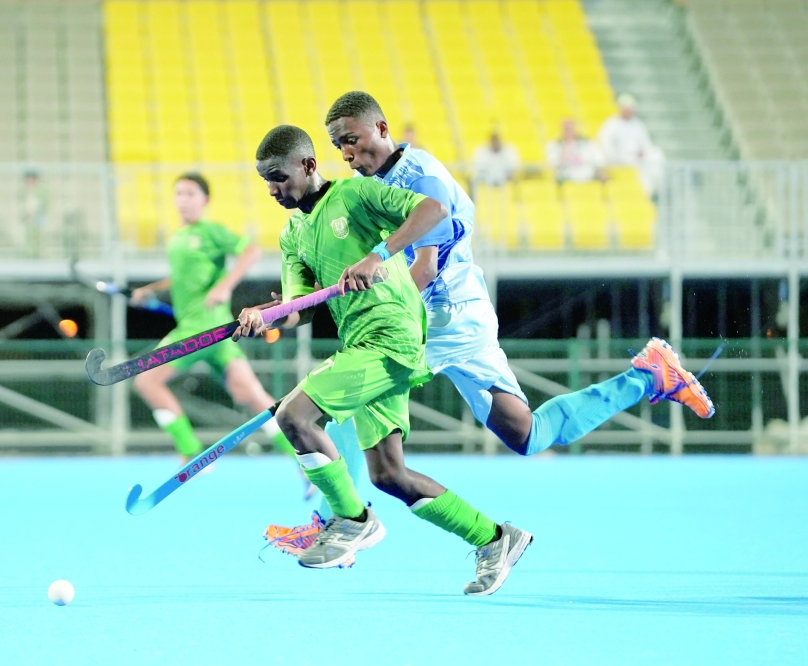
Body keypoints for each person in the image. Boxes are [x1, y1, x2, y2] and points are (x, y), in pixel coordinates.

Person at [264, 92, 716, 576]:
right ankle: (648, 378)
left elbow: (423, 268)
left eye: (352, 141)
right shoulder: (369, 182)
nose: (349, 155)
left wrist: (373, 272)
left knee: (351, 390)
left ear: (382, 128)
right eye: (340, 147)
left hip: (443, 314)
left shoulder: (420, 177)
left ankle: (339, 521)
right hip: (450, 312)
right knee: (525, 433)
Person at [235, 124, 531, 595]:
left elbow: (432, 210)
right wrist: (268, 316)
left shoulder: (357, 195)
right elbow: (301, 308)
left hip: (393, 336)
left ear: (308, 166)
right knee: (389, 475)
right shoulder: (293, 235)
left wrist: (378, 254)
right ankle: (495, 538)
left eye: (278, 176)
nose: (272, 189)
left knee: (295, 416)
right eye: (264, 180)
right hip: (361, 343)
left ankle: (351, 521)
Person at [130, 173, 300, 477]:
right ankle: (306, 461)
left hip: (201, 330)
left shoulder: (211, 231)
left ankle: (189, 450)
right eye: (178, 193)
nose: (183, 199)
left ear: (205, 200)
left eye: (190, 193)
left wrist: (225, 286)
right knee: (253, 397)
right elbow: (184, 279)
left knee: (146, 381)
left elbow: (251, 251)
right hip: (215, 333)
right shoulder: (177, 239)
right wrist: (152, 290)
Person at [598, 93, 665, 196]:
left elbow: (646, 144)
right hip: (619, 159)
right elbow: (606, 145)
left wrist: (642, 152)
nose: (629, 110)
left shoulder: (638, 124)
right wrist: (617, 157)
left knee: (656, 154)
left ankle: (654, 189)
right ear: (620, 108)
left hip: (636, 159)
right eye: (626, 108)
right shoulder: (611, 124)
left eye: (631, 108)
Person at [546, 119, 606, 183]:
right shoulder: (555, 145)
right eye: (566, 129)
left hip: (588, 176)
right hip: (566, 178)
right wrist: (565, 151)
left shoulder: (587, 142)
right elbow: (552, 163)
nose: (568, 131)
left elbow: (599, 159)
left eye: (570, 128)